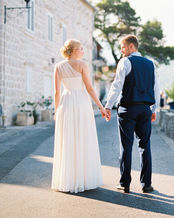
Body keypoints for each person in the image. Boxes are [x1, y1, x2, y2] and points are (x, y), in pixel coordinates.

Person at [51, 39, 108, 193]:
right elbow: (89, 88)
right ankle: (82, 178)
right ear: (74, 50)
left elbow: (57, 92)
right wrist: (101, 107)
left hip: (66, 103)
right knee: (83, 138)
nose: (83, 51)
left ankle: (68, 179)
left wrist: (56, 111)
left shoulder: (58, 66)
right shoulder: (82, 65)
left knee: (68, 140)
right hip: (81, 103)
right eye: (81, 48)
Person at [105, 35, 159, 193]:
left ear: (131, 47)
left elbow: (117, 86)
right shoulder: (151, 64)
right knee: (145, 146)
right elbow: (156, 87)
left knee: (126, 147)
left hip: (128, 109)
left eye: (123, 47)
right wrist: (154, 109)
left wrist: (108, 106)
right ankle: (146, 184)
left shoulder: (125, 62)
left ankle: (125, 183)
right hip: (145, 110)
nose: (121, 50)